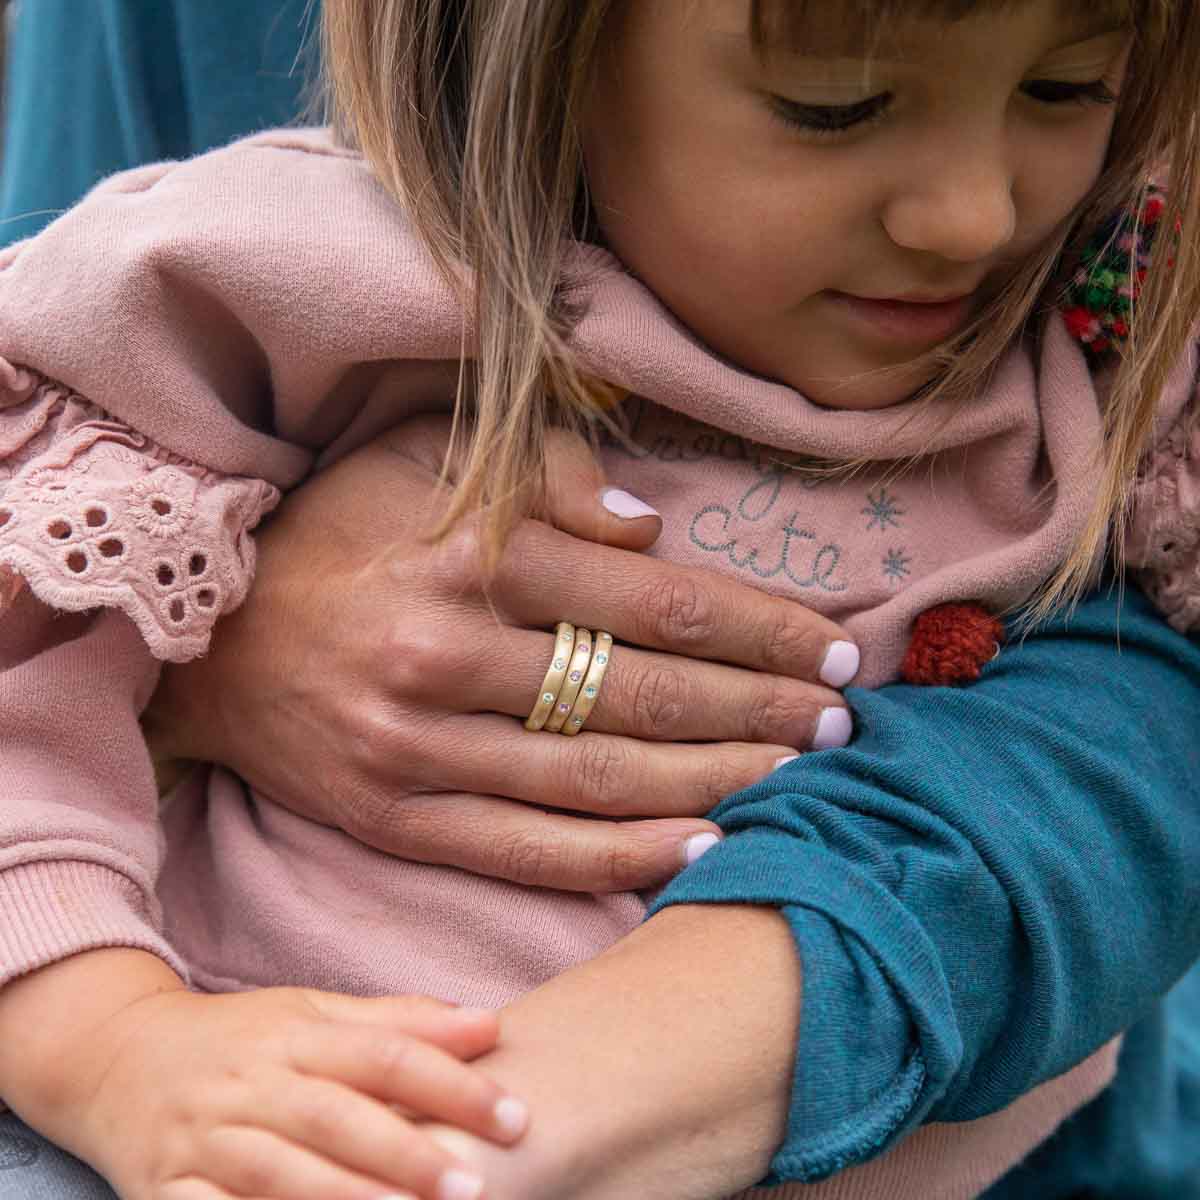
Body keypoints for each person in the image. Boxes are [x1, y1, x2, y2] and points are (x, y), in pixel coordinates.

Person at [0, 3, 1198, 1200]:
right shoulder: (284, 281)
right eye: (834, 107)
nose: (972, 214)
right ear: (533, 55)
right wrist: (118, 1050)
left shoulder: (1112, 335)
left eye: (1066, 88)